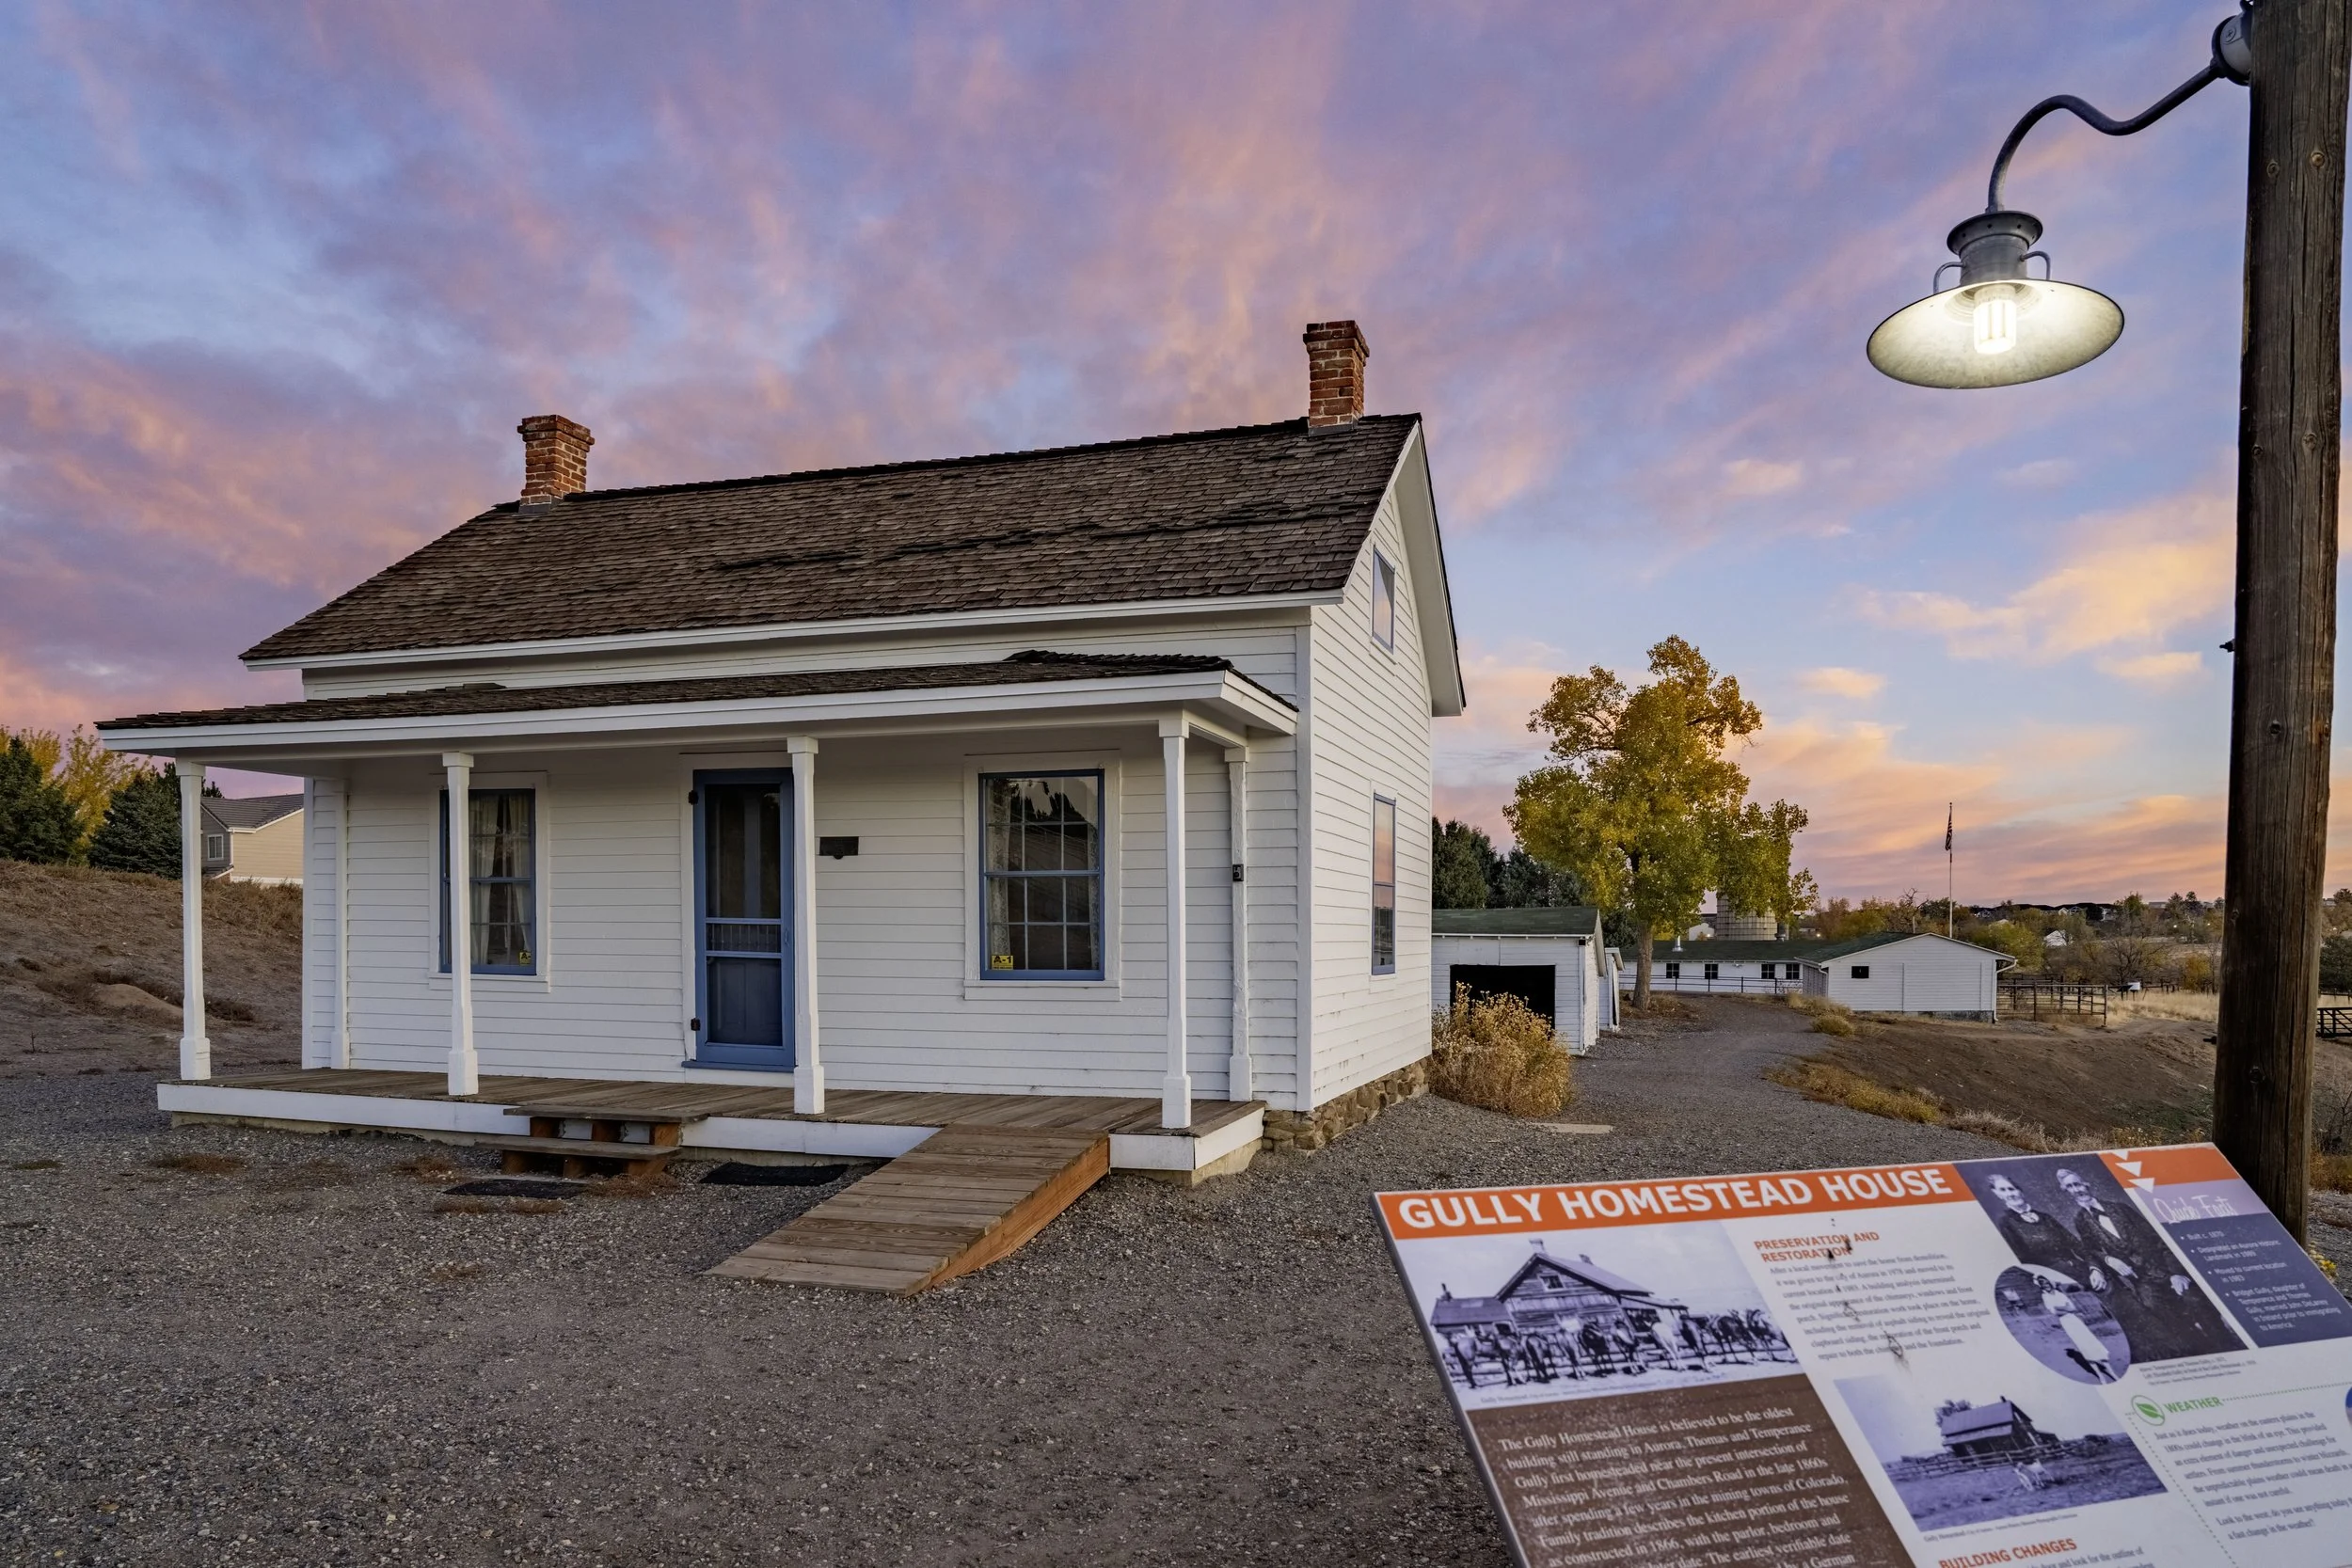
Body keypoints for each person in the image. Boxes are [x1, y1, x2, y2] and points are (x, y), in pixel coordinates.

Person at [2053, 1165, 2242, 1361]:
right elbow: (2091, 1250)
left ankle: (2227, 1349)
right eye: (2070, 1187)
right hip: (2142, 1280)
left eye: (2077, 1184)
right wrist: (2109, 1259)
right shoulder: (2081, 1221)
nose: (2077, 1189)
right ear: (2066, 1191)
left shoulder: (2120, 1209)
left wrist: (2176, 1273)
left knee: (2193, 1299)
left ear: (2086, 1184)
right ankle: (2198, 1353)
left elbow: (2160, 1240)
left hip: (2167, 1271)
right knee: (2154, 1307)